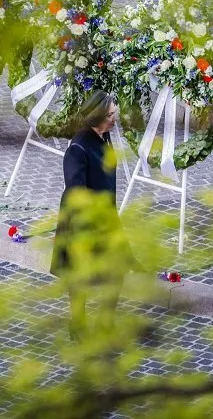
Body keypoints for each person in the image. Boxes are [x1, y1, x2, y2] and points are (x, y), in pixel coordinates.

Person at [50, 90, 131, 341]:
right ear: (97, 118)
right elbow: (75, 191)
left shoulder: (104, 138)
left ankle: (105, 322)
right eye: (110, 115)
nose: (114, 119)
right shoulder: (78, 148)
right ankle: (78, 324)